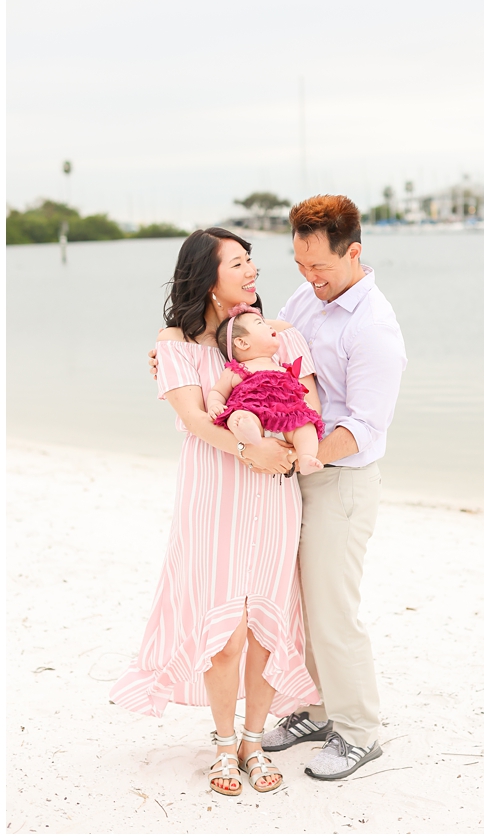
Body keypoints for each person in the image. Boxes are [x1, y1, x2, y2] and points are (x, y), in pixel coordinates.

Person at [114, 227, 319, 797]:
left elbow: (309, 403)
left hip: (275, 495)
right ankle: (225, 745)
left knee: (263, 629)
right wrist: (249, 448)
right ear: (207, 277)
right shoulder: (177, 344)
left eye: (252, 261)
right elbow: (197, 420)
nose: (252, 270)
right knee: (225, 633)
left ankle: (256, 741)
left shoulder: (278, 334)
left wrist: (283, 450)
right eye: (238, 262)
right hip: (212, 496)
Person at [257, 194, 406, 780]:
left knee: (334, 612)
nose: (310, 279)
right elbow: (265, 341)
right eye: (300, 265)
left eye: (320, 267)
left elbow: (365, 427)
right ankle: (317, 710)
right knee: (301, 607)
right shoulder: (307, 298)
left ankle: (360, 731)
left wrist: (300, 455)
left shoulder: (374, 328)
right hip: (300, 476)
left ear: (354, 252)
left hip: (341, 482)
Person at [208, 305, 326, 477]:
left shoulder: (282, 368)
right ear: (242, 342)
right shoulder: (237, 369)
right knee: (239, 416)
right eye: (259, 323)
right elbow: (218, 391)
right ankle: (250, 433)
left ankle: (306, 456)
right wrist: (214, 405)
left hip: (285, 418)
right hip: (253, 411)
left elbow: (297, 395)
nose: (269, 326)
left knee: (306, 426)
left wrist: (306, 409)